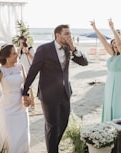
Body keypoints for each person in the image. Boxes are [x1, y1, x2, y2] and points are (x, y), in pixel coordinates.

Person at [22, 24, 88, 153]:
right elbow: (33, 70)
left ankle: (53, 147)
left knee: (63, 123)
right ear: (58, 35)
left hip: (65, 93)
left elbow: (84, 62)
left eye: (70, 33)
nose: (70, 36)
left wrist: (73, 48)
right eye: (67, 34)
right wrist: (25, 91)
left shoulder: (69, 48)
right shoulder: (44, 49)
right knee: (52, 126)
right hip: (48, 94)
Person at [0, 44, 31, 153]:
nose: (17, 55)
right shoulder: (0, 71)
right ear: (6, 56)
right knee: (11, 136)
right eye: (14, 53)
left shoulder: (20, 66)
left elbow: (26, 85)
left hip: (20, 106)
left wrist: (28, 97)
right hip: (7, 108)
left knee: (22, 135)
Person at [90, 18, 121, 122]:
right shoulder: (112, 55)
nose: (114, 44)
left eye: (116, 42)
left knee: (117, 103)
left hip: (118, 83)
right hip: (110, 83)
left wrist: (112, 28)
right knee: (109, 104)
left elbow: (120, 44)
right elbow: (103, 40)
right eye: (112, 43)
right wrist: (95, 28)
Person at [17, 36, 35, 111]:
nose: (22, 44)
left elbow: (34, 60)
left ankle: (33, 104)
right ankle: (27, 103)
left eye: (23, 42)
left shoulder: (31, 49)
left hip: (29, 70)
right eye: (21, 43)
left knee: (29, 88)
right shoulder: (19, 50)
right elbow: (17, 58)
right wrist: (20, 48)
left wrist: (27, 52)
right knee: (25, 88)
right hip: (22, 70)